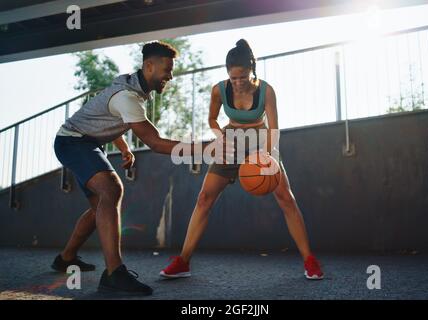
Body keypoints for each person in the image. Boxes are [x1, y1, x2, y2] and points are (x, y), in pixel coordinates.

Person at [52, 41, 217, 295]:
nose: (170, 76)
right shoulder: (128, 96)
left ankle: (66, 258)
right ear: (149, 66)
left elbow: (108, 117)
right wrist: (207, 149)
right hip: (72, 141)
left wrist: (124, 147)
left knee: (100, 206)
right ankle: (114, 273)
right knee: (111, 190)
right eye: (167, 70)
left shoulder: (131, 89)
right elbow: (156, 143)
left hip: (86, 141)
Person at [160, 39, 324, 280]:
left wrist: (266, 156)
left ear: (251, 71)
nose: (237, 83)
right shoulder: (219, 90)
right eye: (233, 77)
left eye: (242, 77)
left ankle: (309, 260)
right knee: (204, 198)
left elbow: (274, 129)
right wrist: (219, 138)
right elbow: (213, 120)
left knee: (286, 198)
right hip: (231, 140)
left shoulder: (266, 90)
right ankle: (183, 261)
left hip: (261, 140)